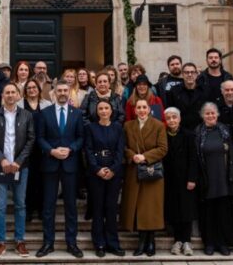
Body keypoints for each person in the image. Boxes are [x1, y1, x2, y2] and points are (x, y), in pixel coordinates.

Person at [0, 83, 35, 259]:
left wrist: (18, 162)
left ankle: (20, 240)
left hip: (20, 167)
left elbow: (31, 139)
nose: (10, 95)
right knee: (0, 207)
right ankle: (1, 242)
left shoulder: (27, 115)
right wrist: (2, 159)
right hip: (0, 166)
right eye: (7, 92)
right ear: (2, 96)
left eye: (13, 92)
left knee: (20, 204)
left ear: (19, 95)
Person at [36, 80, 85, 258]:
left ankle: (71, 243)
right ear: (54, 93)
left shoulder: (77, 113)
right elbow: (40, 138)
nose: (62, 93)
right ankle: (48, 243)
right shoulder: (45, 113)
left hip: (70, 164)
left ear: (69, 92)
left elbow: (81, 138)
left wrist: (71, 149)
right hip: (50, 164)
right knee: (48, 206)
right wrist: (51, 151)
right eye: (60, 90)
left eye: (65, 90)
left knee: (70, 206)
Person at [120, 99, 168, 257]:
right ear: (134, 110)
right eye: (138, 107)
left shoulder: (158, 125)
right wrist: (132, 156)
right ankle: (141, 242)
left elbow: (163, 148)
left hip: (152, 171)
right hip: (134, 170)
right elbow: (123, 147)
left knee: (150, 208)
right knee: (138, 207)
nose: (141, 110)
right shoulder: (128, 126)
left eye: (144, 107)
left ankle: (151, 242)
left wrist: (145, 157)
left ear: (149, 109)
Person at [84, 99, 125, 257]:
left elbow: (120, 151)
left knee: (111, 208)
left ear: (111, 110)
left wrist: (113, 169)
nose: (103, 111)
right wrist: (97, 169)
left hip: (114, 172)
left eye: (106, 108)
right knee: (98, 208)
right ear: (97, 111)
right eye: (100, 108)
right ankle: (99, 243)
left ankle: (113, 243)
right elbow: (88, 150)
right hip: (96, 172)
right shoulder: (90, 128)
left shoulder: (118, 128)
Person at [194, 103, 233, 256]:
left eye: (213, 113)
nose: (210, 116)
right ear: (202, 116)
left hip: (223, 177)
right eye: (207, 113)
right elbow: (195, 157)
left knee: (223, 213)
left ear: (217, 115)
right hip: (207, 178)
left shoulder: (224, 130)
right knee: (208, 213)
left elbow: (232, 155)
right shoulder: (198, 132)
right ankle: (209, 243)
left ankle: (223, 244)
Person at [162, 107, 196, 256]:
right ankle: (177, 240)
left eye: (174, 117)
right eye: (168, 118)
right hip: (169, 179)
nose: (171, 120)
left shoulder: (189, 135)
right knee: (174, 209)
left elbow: (193, 158)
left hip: (186, 178)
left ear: (179, 118)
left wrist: (192, 178)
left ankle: (187, 240)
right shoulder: (163, 135)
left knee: (186, 209)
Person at [17, 79, 52, 223]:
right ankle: (28, 210)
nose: (32, 90)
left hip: (42, 147)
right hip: (25, 147)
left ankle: (42, 209)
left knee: (42, 179)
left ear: (39, 89)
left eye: (34, 87)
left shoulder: (47, 104)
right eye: (29, 88)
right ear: (25, 91)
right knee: (27, 180)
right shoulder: (19, 104)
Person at [167, 62, 206, 130]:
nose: (189, 75)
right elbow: (171, 111)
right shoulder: (174, 91)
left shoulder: (204, 90)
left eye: (192, 72)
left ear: (196, 74)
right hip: (181, 130)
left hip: (200, 129)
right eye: (186, 72)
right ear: (182, 74)